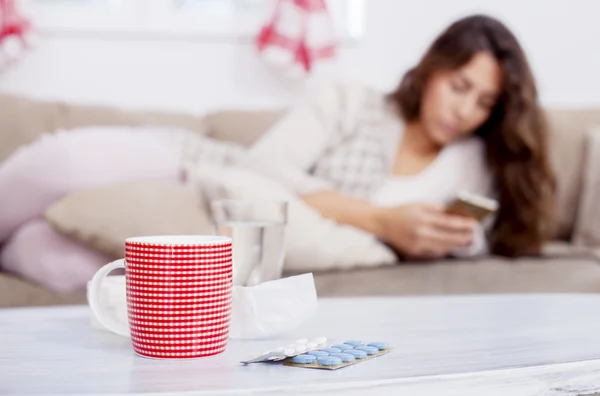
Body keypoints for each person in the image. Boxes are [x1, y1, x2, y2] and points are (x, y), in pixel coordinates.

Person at [0, 14, 556, 291]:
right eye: (459, 86)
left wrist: (441, 239)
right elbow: (262, 166)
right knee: (65, 165)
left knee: (50, 254)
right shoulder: (351, 102)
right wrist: (381, 220)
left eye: (484, 102)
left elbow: (478, 237)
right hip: (199, 172)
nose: (464, 111)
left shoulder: (475, 160)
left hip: (242, 253)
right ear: (432, 69)